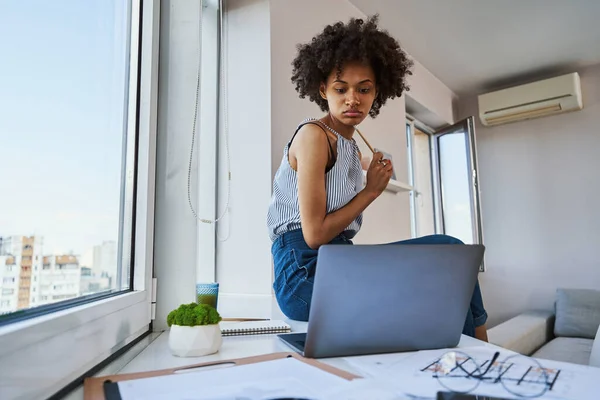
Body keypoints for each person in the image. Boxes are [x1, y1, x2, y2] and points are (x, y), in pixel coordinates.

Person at [266, 15, 488, 341]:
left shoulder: (353, 150)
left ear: (377, 92)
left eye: (364, 89)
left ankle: (484, 357)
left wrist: (367, 177)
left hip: (341, 260)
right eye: (340, 89)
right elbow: (314, 235)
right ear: (322, 89)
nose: (352, 99)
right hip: (303, 272)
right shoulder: (314, 136)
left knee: (452, 251)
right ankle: (481, 365)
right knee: (433, 284)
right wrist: (370, 192)